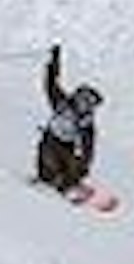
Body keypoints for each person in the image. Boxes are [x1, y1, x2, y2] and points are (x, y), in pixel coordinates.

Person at [36, 44, 104, 192]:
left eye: (89, 104)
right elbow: (51, 83)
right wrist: (53, 62)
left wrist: (84, 166)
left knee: (74, 165)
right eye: (83, 101)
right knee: (48, 164)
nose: (85, 107)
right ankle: (48, 178)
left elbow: (88, 147)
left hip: (67, 146)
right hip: (50, 140)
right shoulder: (62, 102)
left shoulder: (86, 123)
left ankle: (68, 183)